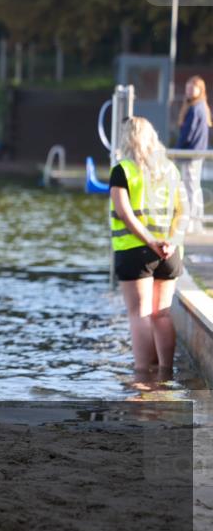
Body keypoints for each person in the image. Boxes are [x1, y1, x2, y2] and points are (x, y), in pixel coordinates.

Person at [110, 116, 186, 378]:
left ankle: (142, 378)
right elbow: (183, 211)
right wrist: (171, 242)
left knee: (139, 313)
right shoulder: (170, 170)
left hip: (136, 251)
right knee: (161, 314)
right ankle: (165, 373)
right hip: (170, 253)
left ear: (127, 139)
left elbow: (124, 213)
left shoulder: (123, 170)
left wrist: (151, 242)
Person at [173, 75, 210, 233]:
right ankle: (197, 222)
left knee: (190, 188)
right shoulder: (201, 107)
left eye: (192, 88)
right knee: (195, 187)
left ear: (200, 90)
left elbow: (188, 134)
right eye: (187, 87)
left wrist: (176, 150)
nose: (188, 91)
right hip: (196, 154)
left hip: (191, 155)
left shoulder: (196, 108)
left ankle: (191, 223)